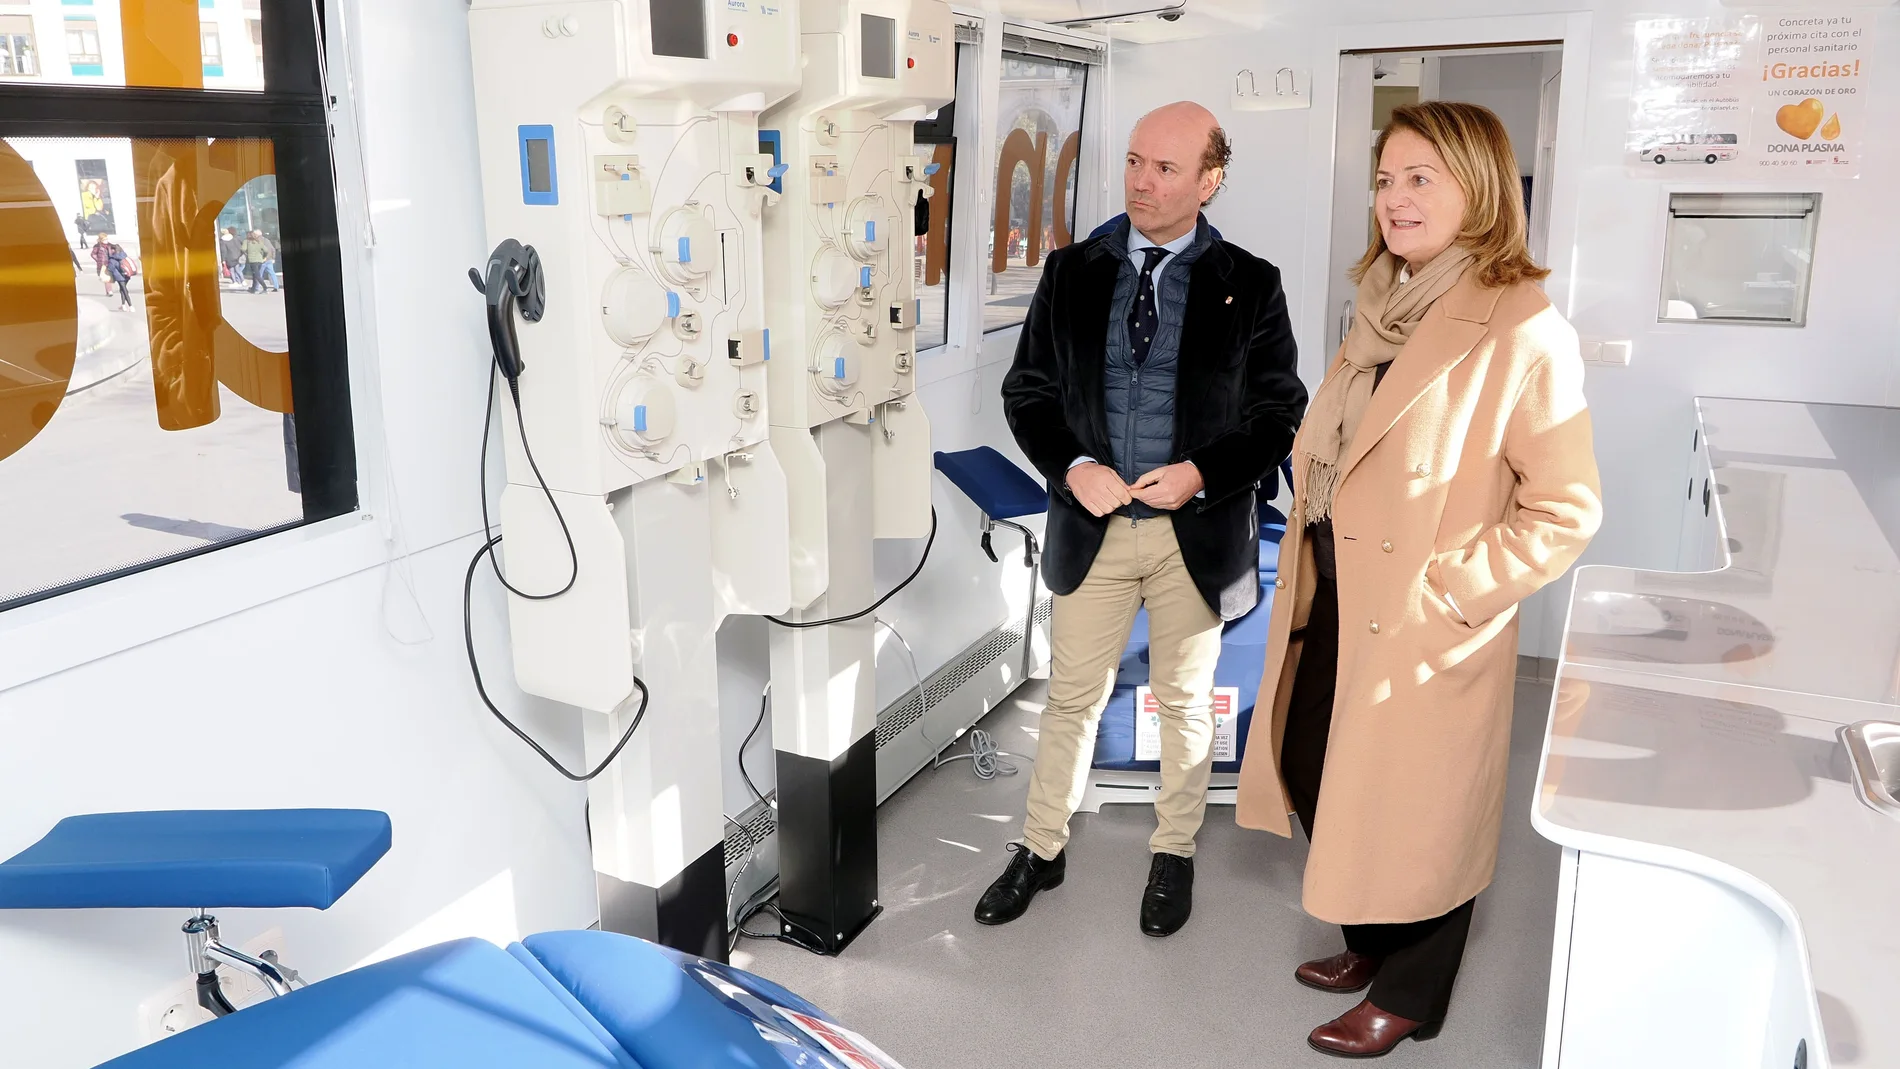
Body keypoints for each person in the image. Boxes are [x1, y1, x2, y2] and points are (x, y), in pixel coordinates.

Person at [1233, 101, 1602, 1058]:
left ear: (1478, 187)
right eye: (1386, 180)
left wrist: (1455, 590)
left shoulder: (1521, 326)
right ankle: (1371, 932)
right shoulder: (1381, 304)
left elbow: (1563, 509)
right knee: (1313, 760)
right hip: (1332, 586)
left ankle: (1413, 990)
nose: (1395, 199)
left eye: (1420, 178)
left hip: (1426, 609)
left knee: (1421, 805)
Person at [982, 101, 1306, 937]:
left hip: (1192, 532)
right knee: (1071, 699)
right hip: (1093, 523)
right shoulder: (1071, 273)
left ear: (1209, 180)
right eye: (1133, 161)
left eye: (1165, 168)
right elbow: (1029, 393)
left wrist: (1201, 474)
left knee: (1185, 701)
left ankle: (1174, 853)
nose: (1141, 181)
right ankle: (1041, 848)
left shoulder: (1252, 283)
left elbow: (1278, 413)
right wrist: (1074, 466)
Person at [105, 242, 134, 310]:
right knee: (122, 290)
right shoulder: (124, 255)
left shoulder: (112, 259)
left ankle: (131, 306)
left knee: (124, 290)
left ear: (113, 250)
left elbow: (110, 268)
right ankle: (123, 305)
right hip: (127, 275)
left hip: (120, 277)